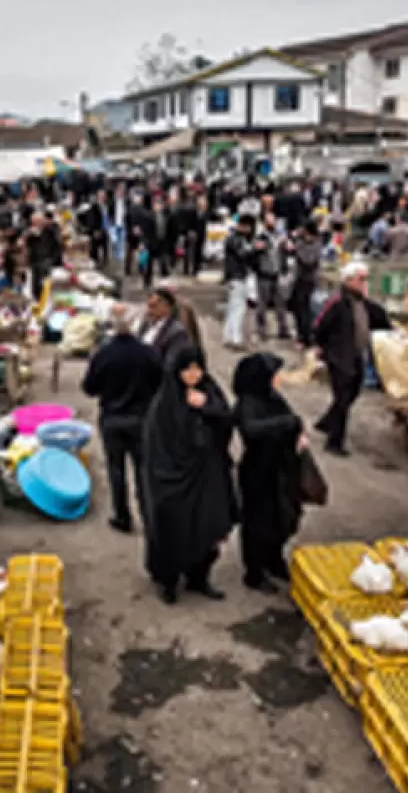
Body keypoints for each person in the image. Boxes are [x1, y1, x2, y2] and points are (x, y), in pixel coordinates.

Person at [142, 347, 236, 605]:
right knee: (173, 532)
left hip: (207, 477)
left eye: (198, 368)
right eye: (187, 369)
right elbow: (156, 450)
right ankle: (168, 582)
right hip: (173, 481)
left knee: (208, 529)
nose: (193, 375)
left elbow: (227, 421)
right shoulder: (163, 405)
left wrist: (207, 406)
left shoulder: (209, 391)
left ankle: (199, 578)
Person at [82, 303, 163, 533]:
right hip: (141, 419)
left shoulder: (104, 355)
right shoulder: (148, 353)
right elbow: (160, 382)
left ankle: (122, 516)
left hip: (112, 418)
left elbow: (89, 387)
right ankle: (149, 516)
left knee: (116, 470)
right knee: (144, 471)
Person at [233, 352, 307, 593]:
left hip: (281, 469)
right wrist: (288, 424)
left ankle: (274, 559)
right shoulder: (247, 403)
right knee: (257, 523)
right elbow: (251, 430)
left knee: (282, 516)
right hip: (258, 473)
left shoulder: (272, 397)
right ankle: (254, 572)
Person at [313, 262, 391, 455]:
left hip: (357, 354)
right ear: (348, 280)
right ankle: (334, 442)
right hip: (339, 355)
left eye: (365, 279)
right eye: (361, 279)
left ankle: (326, 422)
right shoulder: (337, 302)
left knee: (353, 391)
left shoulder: (362, 302)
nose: (364, 283)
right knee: (342, 397)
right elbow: (319, 326)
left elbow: (380, 318)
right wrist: (322, 347)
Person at [222, 213, 262, 350]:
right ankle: (235, 339)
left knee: (233, 308)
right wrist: (256, 250)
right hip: (237, 276)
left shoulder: (235, 238)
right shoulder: (235, 239)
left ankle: (229, 336)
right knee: (238, 308)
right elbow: (243, 255)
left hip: (236, 275)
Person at [288, 219, 322, 348]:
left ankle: (305, 337)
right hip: (299, 279)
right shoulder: (301, 241)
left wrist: (297, 249)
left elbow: (309, 261)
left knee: (305, 310)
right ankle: (300, 333)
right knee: (296, 308)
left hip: (308, 281)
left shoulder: (315, 244)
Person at [137, 287, 191, 365]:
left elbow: (170, 364)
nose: (149, 311)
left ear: (167, 307)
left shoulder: (177, 332)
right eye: (148, 306)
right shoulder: (145, 325)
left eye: (153, 306)